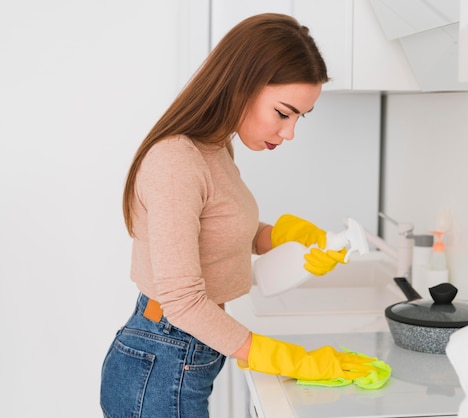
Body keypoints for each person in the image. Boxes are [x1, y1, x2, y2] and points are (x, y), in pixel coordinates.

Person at [100, 13, 376, 418]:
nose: (290, 132)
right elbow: (182, 301)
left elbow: (221, 231)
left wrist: (289, 236)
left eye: (300, 116)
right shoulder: (177, 160)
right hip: (160, 363)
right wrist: (286, 358)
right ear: (241, 85)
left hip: (178, 354)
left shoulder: (215, 149)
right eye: (283, 113)